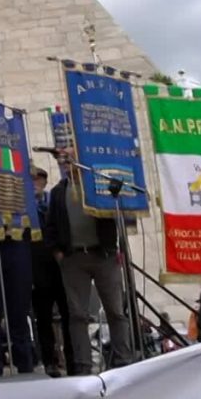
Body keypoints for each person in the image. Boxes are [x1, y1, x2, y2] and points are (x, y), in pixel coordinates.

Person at [45, 148, 134, 374]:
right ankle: (83, 365)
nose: (67, 163)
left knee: (115, 310)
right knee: (78, 315)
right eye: (64, 160)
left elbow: (117, 215)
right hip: (74, 258)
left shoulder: (98, 187)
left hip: (103, 255)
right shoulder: (58, 192)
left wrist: (117, 248)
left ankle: (123, 359)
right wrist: (58, 254)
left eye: (70, 158)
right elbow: (50, 226)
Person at [29, 167, 74, 377]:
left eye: (39, 179)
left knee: (68, 313)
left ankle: (72, 359)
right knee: (43, 318)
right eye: (32, 180)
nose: (36, 182)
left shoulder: (53, 200)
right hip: (38, 266)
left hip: (60, 263)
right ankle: (49, 361)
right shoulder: (25, 206)